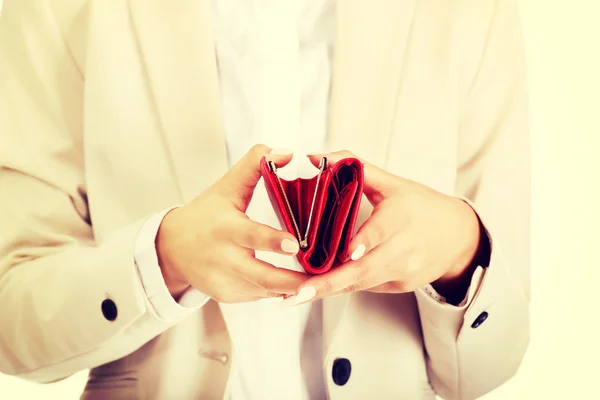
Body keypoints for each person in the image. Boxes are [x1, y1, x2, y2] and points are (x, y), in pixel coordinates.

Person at [0, 0, 530, 399]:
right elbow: (11, 318)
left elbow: (490, 364)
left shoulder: (470, 12)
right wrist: (161, 261)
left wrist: (459, 253)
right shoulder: (58, 10)